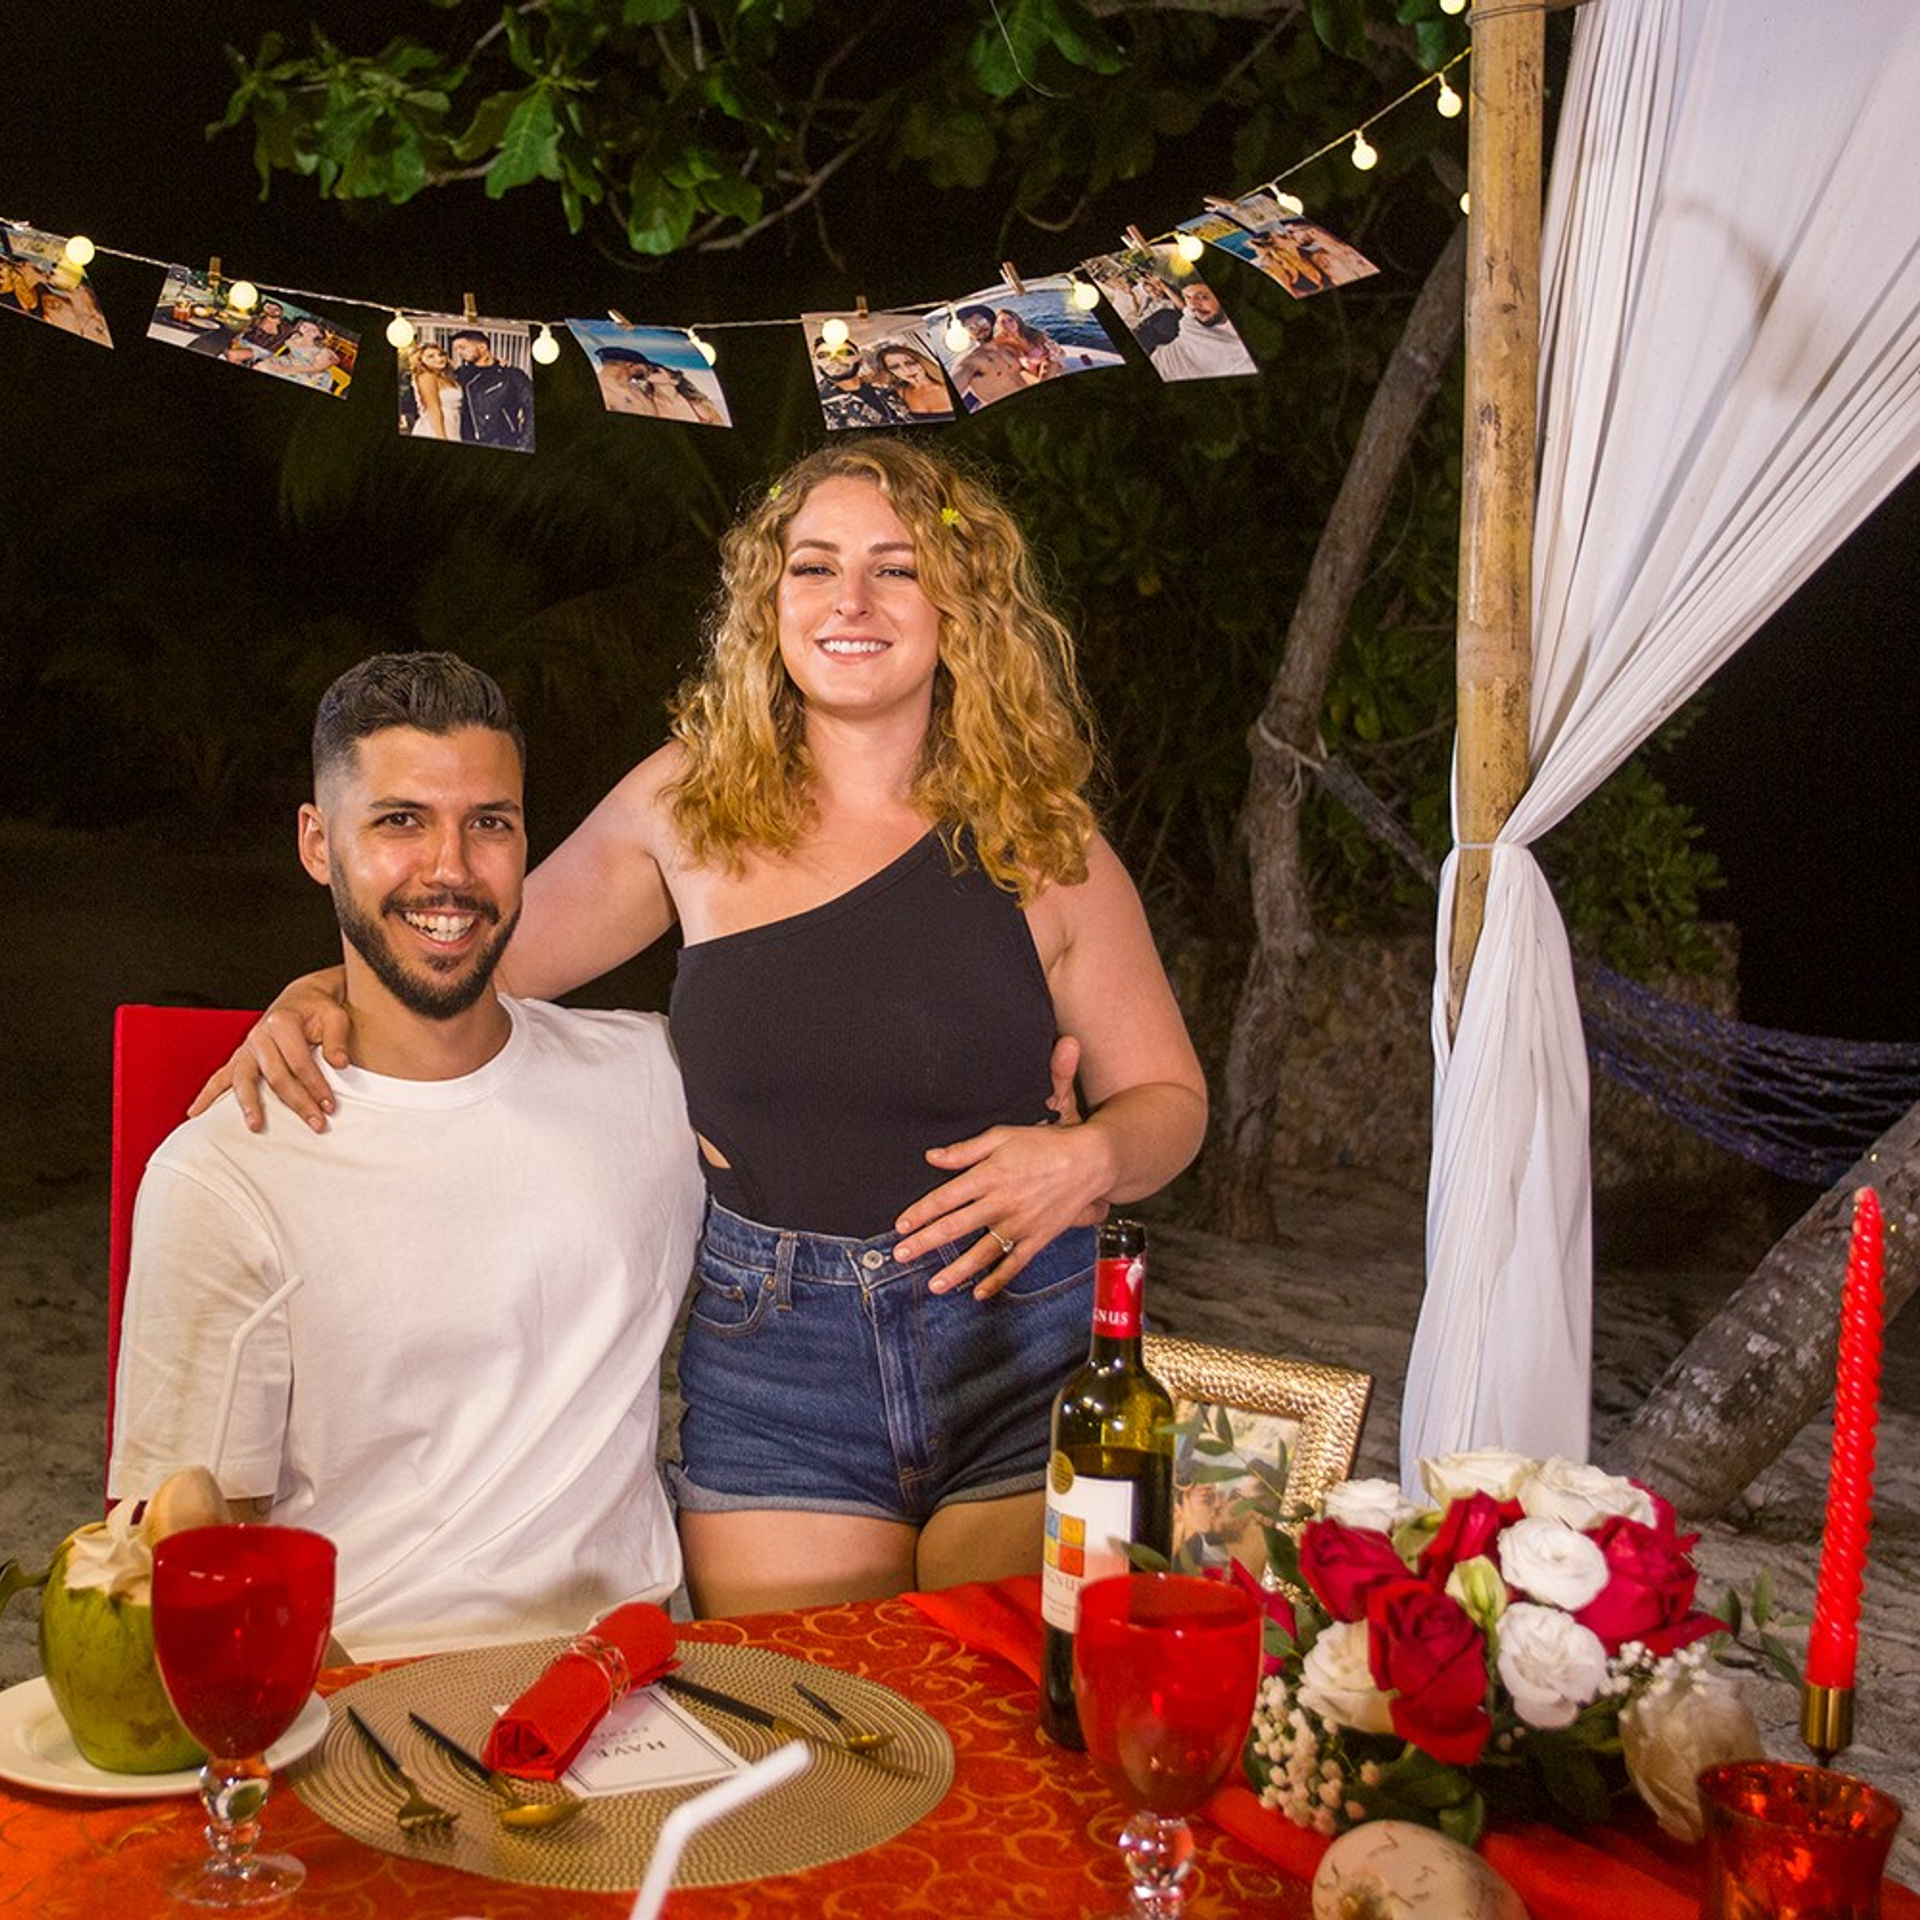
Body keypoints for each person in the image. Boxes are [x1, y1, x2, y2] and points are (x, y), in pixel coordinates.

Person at [206, 441, 1207, 1619]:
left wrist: (1087, 1156)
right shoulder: (688, 807)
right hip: (779, 1363)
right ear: (765, 603)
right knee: (823, 1750)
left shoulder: (1046, 840)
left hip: (1018, 1339)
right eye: (813, 567)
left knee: (1009, 1719)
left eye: (896, 569)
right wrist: (310, 994)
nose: (850, 603)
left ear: (960, 603)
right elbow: (460, 952)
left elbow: (1170, 1104)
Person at [113, 652, 703, 1658]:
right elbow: (183, 1535)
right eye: (399, 822)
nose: (450, 869)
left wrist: (1066, 1119)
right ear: (317, 841)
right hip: (370, 1697)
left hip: (640, 1682)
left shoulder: (652, 1077)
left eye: (489, 823)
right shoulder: (227, 1169)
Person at [1147, 279, 1258, 382]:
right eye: (1187, 297)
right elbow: (1183, 307)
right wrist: (1164, 288)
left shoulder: (1240, 353)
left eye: (1202, 297)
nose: (1193, 305)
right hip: (1155, 351)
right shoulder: (1197, 314)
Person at [450, 328, 535, 450]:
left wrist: (525, 445)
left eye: (462, 347)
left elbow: (531, 408)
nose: (459, 352)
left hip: (502, 441)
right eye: (456, 349)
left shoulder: (512, 375)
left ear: (482, 347)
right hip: (465, 439)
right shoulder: (460, 374)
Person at [596, 348, 725, 425]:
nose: (648, 369)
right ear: (630, 364)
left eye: (654, 370)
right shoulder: (605, 392)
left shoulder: (637, 390)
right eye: (646, 366)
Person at [812, 337, 911, 429]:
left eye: (844, 352)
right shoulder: (822, 404)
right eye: (823, 355)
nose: (834, 359)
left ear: (860, 359)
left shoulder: (885, 386)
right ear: (817, 364)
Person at [944, 306, 1029, 412]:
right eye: (971, 327)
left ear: (989, 321)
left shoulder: (1008, 349)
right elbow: (946, 396)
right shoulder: (971, 362)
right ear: (967, 335)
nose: (979, 328)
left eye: (981, 321)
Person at [875, 341, 954, 419]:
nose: (906, 370)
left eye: (910, 362)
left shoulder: (949, 384)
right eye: (895, 367)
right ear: (891, 372)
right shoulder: (899, 394)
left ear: (921, 361)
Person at [404, 340, 465, 440]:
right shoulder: (426, 377)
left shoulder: (446, 377)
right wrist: (441, 436)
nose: (439, 358)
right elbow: (433, 408)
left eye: (441, 354)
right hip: (435, 429)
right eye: (430, 356)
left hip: (453, 424)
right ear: (421, 360)